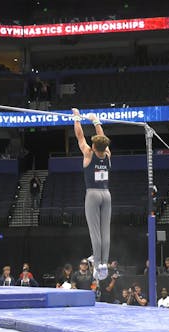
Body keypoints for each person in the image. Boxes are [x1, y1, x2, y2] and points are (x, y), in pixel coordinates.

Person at [73, 107, 111, 281]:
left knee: (95, 232)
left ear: (94, 146)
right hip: (106, 194)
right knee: (105, 231)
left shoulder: (89, 154)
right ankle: (103, 264)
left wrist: (77, 118)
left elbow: (79, 136)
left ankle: (97, 265)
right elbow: (102, 138)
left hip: (93, 194)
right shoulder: (108, 154)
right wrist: (95, 120)